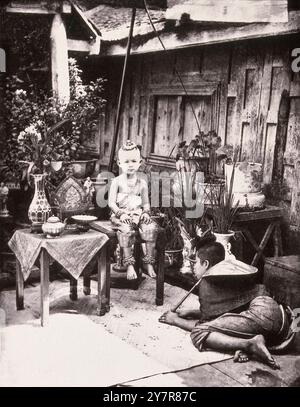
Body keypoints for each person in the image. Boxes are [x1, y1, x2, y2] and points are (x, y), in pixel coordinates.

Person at [159, 235, 292, 370]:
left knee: (199, 333)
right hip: (277, 315)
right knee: (224, 329)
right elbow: (228, 312)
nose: (193, 267)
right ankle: (251, 344)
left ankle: (249, 344)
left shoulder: (206, 282)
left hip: (261, 317)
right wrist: (193, 312)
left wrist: (175, 320)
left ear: (205, 264)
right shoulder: (227, 272)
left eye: (195, 263)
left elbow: (205, 325)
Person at [108, 140, 158, 281]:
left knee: (151, 228)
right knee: (126, 230)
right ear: (119, 163)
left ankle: (148, 263)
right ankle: (129, 264)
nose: (130, 164)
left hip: (137, 213)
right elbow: (111, 202)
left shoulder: (142, 183)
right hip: (121, 215)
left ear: (140, 162)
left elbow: (146, 203)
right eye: (126, 161)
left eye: (134, 161)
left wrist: (146, 213)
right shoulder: (117, 181)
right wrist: (121, 213)